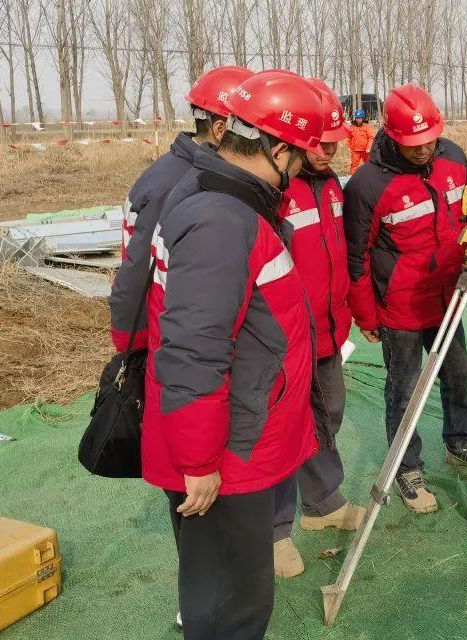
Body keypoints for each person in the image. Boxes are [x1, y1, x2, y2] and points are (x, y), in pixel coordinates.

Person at [141, 71, 327, 639]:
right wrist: (199, 461)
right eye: (297, 159)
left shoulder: (214, 195)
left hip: (237, 432)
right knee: (232, 602)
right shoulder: (223, 219)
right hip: (226, 452)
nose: (300, 173)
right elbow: (195, 347)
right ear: (273, 147)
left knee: (222, 588)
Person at [344, 83, 467, 515]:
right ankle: (407, 467)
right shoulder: (367, 185)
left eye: (430, 140)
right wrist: (366, 315)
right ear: (392, 135)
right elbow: (355, 258)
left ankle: (459, 440)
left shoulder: (453, 158)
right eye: (414, 145)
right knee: (405, 391)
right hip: (402, 307)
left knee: (460, 373)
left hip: (449, 297)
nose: (425, 150)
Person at [270, 76, 365, 578]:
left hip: (328, 333)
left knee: (328, 418)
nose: (331, 151)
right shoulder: (275, 192)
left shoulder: (331, 186)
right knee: (281, 431)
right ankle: (272, 531)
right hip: (284, 340)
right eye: (320, 142)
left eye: (336, 141)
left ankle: (323, 504)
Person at [109, 65, 253, 352]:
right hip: (166, 339)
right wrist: (134, 344)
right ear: (221, 129)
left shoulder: (193, 172)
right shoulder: (176, 184)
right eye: (250, 131)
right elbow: (138, 270)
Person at [346, 108, 375, 174]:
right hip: (355, 150)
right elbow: (349, 137)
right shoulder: (352, 127)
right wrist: (349, 147)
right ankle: (352, 178)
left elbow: (371, 138)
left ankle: (369, 178)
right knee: (354, 165)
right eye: (357, 118)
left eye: (359, 118)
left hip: (365, 151)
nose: (358, 120)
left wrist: (368, 148)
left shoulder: (367, 127)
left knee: (368, 165)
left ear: (363, 118)